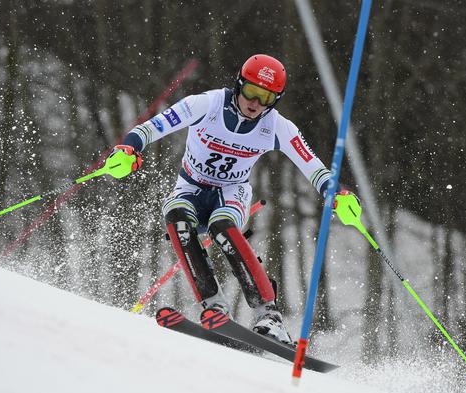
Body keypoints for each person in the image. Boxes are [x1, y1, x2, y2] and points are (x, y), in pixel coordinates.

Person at [115, 54, 352, 345]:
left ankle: (270, 316)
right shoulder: (206, 104)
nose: (255, 103)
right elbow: (151, 127)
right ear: (239, 85)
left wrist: (337, 193)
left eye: (266, 98)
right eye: (251, 92)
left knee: (222, 225)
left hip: (232, 192)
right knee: (177, 217)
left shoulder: (276, 126)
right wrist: (128, 149)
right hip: (190, 186)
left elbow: (313, 166)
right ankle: (214, 306)